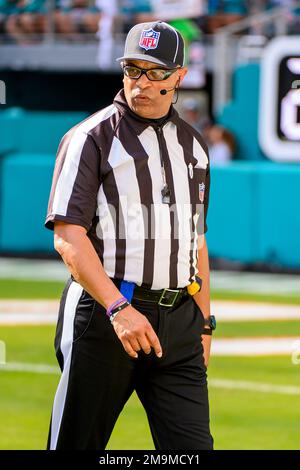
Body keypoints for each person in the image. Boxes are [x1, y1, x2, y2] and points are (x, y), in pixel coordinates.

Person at [45, 20, 215, 451]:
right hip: (107, 314)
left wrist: (205, 323)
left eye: (155, 71)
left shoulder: (194, 145)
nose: (141, 82)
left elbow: (195, 238)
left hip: (178, 323)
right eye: (133, 69)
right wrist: (118, 308)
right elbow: (68, 235)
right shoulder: (90, 137)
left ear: (180, 75)